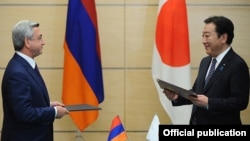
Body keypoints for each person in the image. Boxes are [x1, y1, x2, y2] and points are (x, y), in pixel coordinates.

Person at [164, 16, 249, 125]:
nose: (203, 41)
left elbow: (240, 102)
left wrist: (210, 103)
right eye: (202, 36)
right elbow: (197, 92)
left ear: (223, 37)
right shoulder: (205, 61)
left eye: (207, 36)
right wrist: (178, 97)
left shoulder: (237, 65)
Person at [1, 20, 69, 141]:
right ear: (27, 42)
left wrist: (47, 106)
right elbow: (24, 113)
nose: (44, 42)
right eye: (40, 38)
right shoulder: (17, 72)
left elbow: (24, 103)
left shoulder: (25, 66)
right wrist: (53, 112)